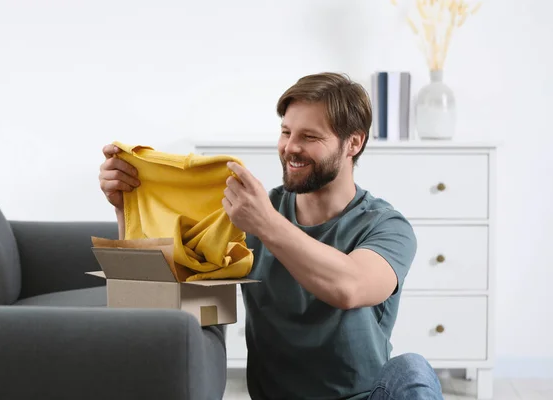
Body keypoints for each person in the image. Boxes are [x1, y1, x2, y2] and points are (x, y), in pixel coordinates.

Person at [98, 72, 443, 400]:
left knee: (412, 370)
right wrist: (126, 208)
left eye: (309, 137)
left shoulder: (385, 226)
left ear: (353, 143)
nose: (290, 147)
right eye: (286, 132)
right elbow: (160, 293)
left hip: (365, 396)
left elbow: (349, 287)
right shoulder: (249, 214)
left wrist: (265, 224)